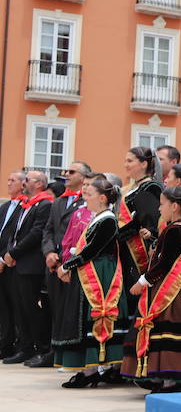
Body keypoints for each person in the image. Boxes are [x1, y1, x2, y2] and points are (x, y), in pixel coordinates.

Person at [121, 186, 181, 392]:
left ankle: (169, 379)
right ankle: (167, 378)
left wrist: (143, 282)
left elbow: (165, 264)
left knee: (166, 330)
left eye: (162, 203)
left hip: (170, 289)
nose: (159, 208)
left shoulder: (175, 230)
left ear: (174, 206)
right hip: (179, 287)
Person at [56, 176, 129, 388]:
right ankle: (89, 368)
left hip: (100, 273)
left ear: (103, 197)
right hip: (91, 271)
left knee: (95, 315)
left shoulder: (108, 219)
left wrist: (66, 266)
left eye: (89, 194)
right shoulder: (98, 218)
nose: (84, 197)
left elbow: (91, 250)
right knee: (84, 317)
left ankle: (92, 370)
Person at [38, 161, 91, 369]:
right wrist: (49, 252)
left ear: (83, 177)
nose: (66, 175)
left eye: (71, 172)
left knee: (68, 311)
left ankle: (64, 353)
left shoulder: (86, 204)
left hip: (71, 264)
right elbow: (48, 230)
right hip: (54, 262)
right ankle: (54, 352)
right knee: (54, 309)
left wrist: (65, 259)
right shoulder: (60, 201)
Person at [1, 170, 53, 365]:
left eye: (28, 179)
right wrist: (8, 253)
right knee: (20, 308)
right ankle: (25, 346)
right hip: (17, 263)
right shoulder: (26, 205)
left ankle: (40, 348)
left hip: (30, 264)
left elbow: (36, 233)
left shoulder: (44, 205)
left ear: (39, 184)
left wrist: (13, 254)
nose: (25, 183)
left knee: (32, 308)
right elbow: (12, 233)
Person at [120, 147, 164, 291]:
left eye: (130, 161)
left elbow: (146, 222)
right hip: (126, 246)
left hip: (139, 248)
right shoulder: (133, 188)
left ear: (144, 164)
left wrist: (115, 233)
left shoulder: (150, 187)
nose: (125, 164)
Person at [0, 171, 26, 360]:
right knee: (3, 307)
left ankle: (16, 345)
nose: (9, 183)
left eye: (13, 180)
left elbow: (15, 237)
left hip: (12, 263)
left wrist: (3, 258)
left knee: (14, 306)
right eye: (8, 180)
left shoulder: (25, 207)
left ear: (23, 184)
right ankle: (4, 343)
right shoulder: (5, 206)